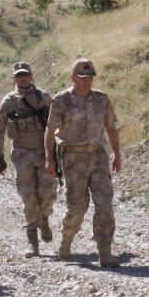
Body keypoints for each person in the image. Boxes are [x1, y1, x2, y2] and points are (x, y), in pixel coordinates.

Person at [45, 57, 122, 267]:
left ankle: (104, 251)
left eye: (90, 77)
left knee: (104, 204)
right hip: (73, 158)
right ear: (73, 78)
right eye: (83, 78)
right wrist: (49, 158)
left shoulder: (102, 99)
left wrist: (117, 154)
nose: (87, 81)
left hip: (98, 156)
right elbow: (50, 130)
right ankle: (67, 238)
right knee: (77, 208)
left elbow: (111, 129)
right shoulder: (62, 100)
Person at [0, 61, 58, 257]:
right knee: (28, 196)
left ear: (32, 76)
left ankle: (44, 219)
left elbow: (58, 123)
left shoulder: (45, 97)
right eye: (19, 76)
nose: (23, 78)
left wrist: (61, 151)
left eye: (26, 75)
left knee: (48, 194)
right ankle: (33, 242)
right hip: (22, 155)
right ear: (14, 79)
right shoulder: (8, 102)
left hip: (44, 152)